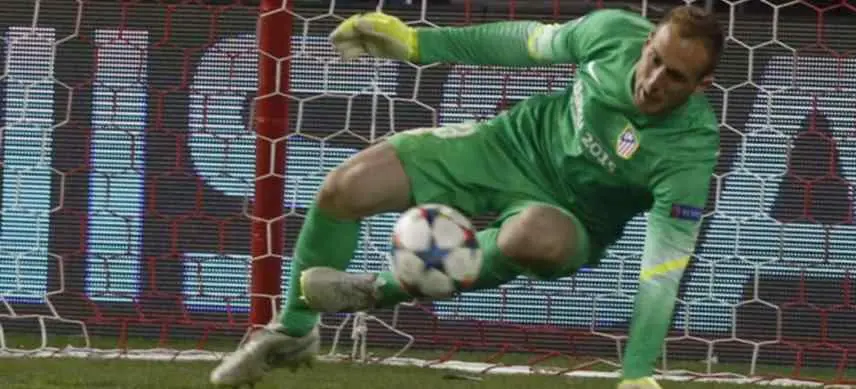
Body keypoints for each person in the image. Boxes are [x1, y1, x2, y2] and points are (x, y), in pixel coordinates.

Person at [209, 4, 724, 389]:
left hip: (573, 221)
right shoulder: (610, 33)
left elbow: (662, 270)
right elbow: (521, 42)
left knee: (533, 237)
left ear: (702, 85)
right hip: (510, 145)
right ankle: (293, 329)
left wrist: (636, 374)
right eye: (654, 59)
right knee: (345, 187)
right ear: (646, 42)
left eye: (675, 76)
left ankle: (377, 290)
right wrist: (416, 45)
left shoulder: (689, 153)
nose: (654, 81)